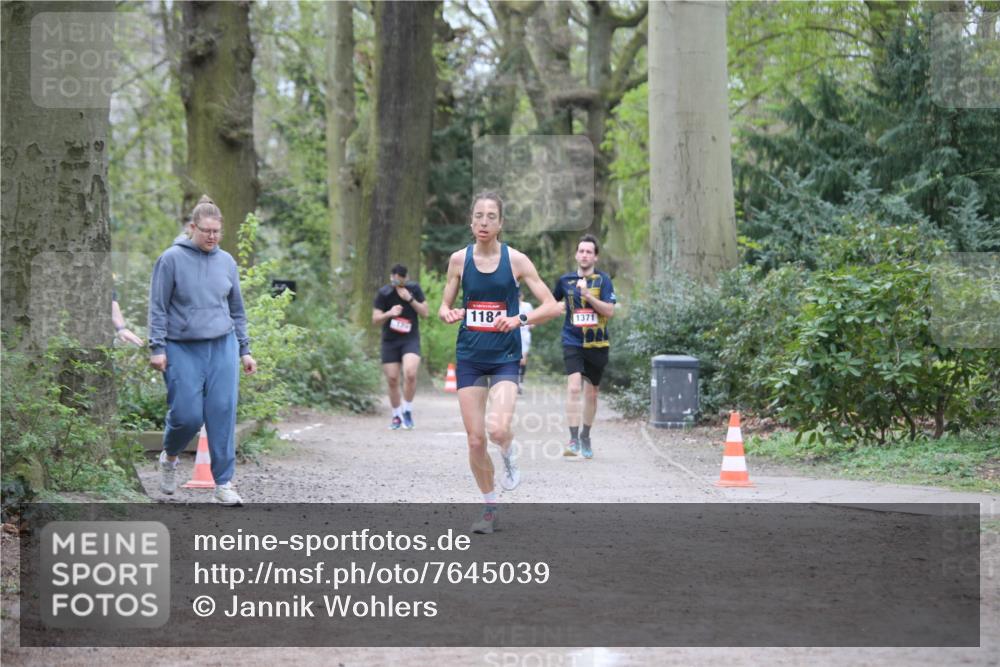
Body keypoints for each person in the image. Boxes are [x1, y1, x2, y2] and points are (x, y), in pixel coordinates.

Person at [439, 192, 562, 534]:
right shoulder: (458, 260)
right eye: (478, 216)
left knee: (496, 429)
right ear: (470, 221)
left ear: (501, 223)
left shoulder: (518, 261)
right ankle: (490, 506)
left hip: (505, 358)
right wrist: (447, 313)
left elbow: (552, 306)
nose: (483, 222)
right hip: (470, 358)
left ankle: (507, 452)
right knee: (476, 440)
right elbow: (443, 305)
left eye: (491, 216)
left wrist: (519, 320)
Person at [148, 195, 257, 506]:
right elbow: (157, 307)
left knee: (222, 412)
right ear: (192, 227)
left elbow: (237, 309)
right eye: (206, 231)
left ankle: (223, 483)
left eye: (217, 232)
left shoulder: (227, 261)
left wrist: (244, 349)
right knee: (186, 416)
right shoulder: (171, 259)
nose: (212, 237)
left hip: (223, 344)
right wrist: (157, 347)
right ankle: (169, 457)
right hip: (182, 346)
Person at [552, 234, 617, 460]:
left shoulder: (604, 280)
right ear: (576, 254)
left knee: (592, 393)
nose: (585, 255)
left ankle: (586, 435)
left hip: (597, 342)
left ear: (595, 257)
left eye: (589, 252)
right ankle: (572, 439)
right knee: (573, 387)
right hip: (572, 339)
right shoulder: (565, 281)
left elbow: (609, 311)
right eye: (581, 251)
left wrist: (587, 295)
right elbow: (552, 303)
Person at [373, 264, 429, 430]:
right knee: (392, 379)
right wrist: (389, 313)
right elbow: (375, 320)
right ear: (391, 278)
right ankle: (396, 415)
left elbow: (425, 313)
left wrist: (409, 300)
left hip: (410, 339)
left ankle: (407, 411)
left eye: (400, 279)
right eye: (394, 279)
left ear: (406, 278)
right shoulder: (384, 293)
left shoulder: (414, 289)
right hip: (390, 341)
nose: (397, 282)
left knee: (410, 373)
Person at [517, 288, 534, 395]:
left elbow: (533, 321)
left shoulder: (527, 306)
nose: (517, 298)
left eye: (518, 296)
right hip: (511, 335)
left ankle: (520, 382)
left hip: (524, 336)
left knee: (522, 360)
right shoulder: (509, 305)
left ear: (522, 296)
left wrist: (530, 324)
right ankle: (514, 382)